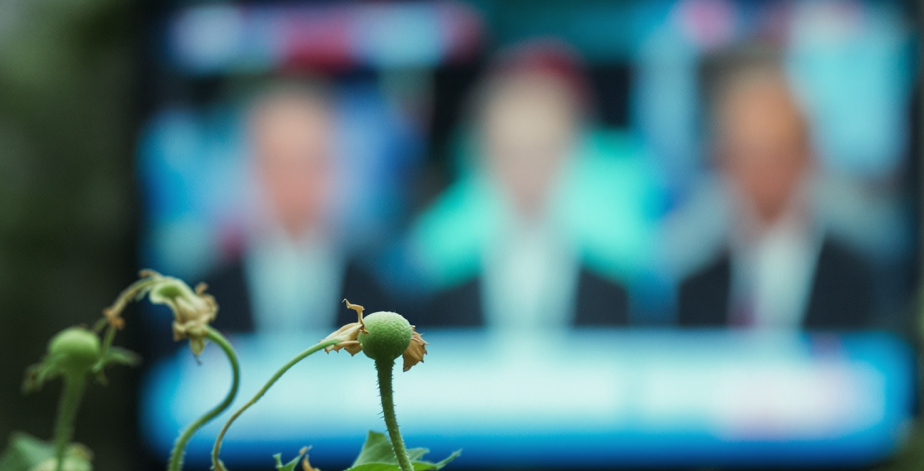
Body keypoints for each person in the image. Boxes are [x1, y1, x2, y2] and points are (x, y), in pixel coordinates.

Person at [422, 45, 628, 331]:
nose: (527, 172)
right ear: (480, 157)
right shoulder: (441, 289)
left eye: (543, 152)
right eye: (510, 154)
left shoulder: (616, 291)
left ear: (575, 153)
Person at [677, 61, 874, 330]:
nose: (763, 170)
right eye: (748, 153)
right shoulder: (694, 286)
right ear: (723, 161)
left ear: (808, 156)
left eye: (777, 151)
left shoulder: (861, 279)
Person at [205, 80, 389, 341]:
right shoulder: (208, 298)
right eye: (280, 162)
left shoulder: (376, 295)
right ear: (254, 168)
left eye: (310, 161)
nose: (296, 180)